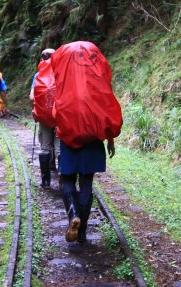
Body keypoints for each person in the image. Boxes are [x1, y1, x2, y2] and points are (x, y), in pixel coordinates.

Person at [50, 41, 122, 243]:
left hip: (69, 136)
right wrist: (111, 139)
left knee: (67, 180)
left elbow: (56, 111)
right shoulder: (97, 80)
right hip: (93, 136)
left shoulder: (64, 83)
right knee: (87, 183)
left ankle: (74, 215)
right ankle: (82, 233)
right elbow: (107, 105)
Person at [29, 48, 59, 188]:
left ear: (42, 59)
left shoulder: (38, 75)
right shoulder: (62, 72)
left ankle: (46, 181)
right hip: (60, 116)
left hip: (44, 117)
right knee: (60, 148)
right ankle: (64, 177)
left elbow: (31, 97)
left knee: (45, 148)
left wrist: (37, 109)